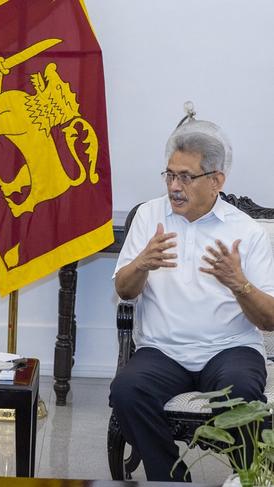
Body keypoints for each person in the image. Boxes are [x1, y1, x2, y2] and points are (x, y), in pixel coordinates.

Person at [109, 106, 274, 481]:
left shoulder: (245, 231)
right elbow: (124, 290)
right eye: (169, 174)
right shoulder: (149, 218)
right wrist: (142, 264)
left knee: (245, 394)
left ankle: (251, 478)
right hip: (163, 350)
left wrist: (239, 283)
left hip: (229, 348)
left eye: (185, 176)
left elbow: (269, 319)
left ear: (216, 180)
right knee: (126, 391)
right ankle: (171, 478)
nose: (173, 186)